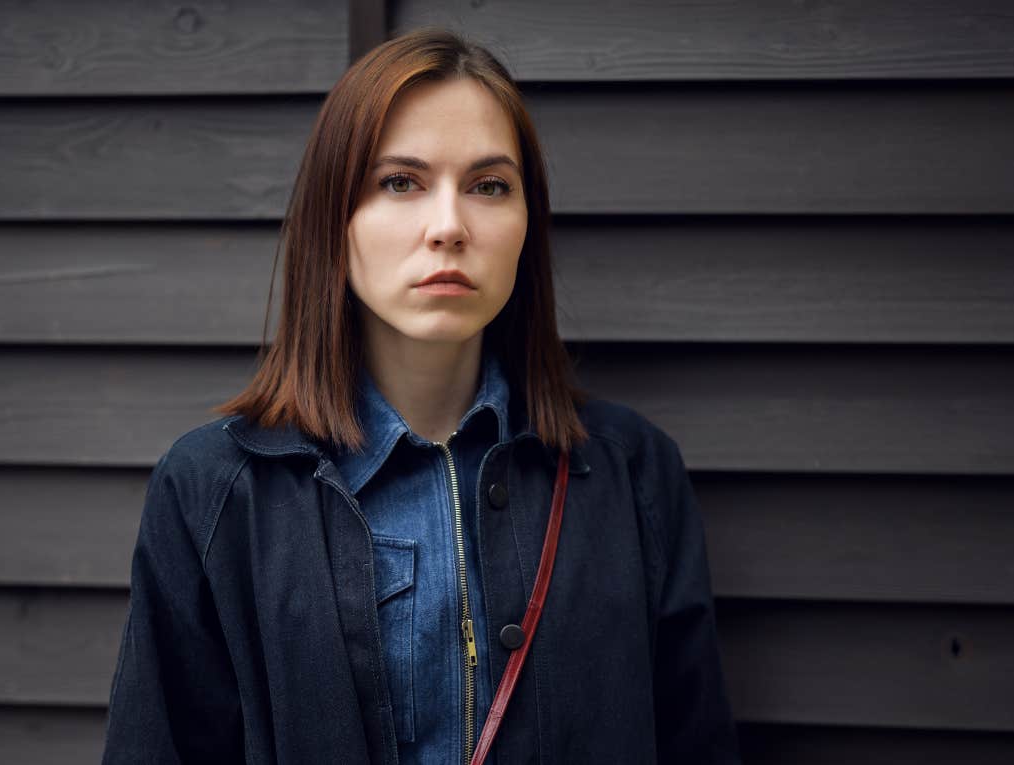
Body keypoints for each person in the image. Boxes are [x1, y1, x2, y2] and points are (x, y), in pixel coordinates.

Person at [101, 27, 741, 765]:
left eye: (489, 185)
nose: (448, 227)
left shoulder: (632, 471)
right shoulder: (214, 489)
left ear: (528, 225)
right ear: (334, 220)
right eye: (400, 182)